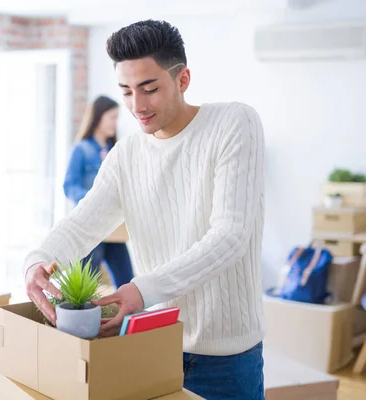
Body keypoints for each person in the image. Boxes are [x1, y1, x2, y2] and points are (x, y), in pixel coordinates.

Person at [24, 19, 266, 400]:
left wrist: (141, 290)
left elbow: (230, 236)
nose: (137, 106)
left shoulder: (234, 123)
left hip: (226, 359)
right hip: (151, 347)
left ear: (183, 79)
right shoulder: (127, 155)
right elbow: (83, 222)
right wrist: (39, 259)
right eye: (126, 91)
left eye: (149, 89)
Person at [63, 95, 135, 289]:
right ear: (99, 117)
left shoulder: (115, 150)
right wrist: (91, 199)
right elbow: (69, 186)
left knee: (128, 282)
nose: (115, 122)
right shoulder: (82, 149)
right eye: (112, 117)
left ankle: (130, 320)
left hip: (113, 227)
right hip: (91, 228)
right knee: (84, 288)